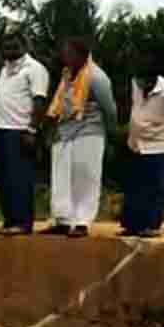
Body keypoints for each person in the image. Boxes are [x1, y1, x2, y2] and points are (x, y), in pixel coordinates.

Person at [45, 37, 117, 238]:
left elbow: (109, 109)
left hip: (89, 131)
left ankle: (82, 222)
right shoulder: (67, 75)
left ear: (82, 55)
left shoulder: (97, 77)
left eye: (69, 53)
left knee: (85, 176)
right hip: (65, 131)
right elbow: (59, 105)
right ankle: (63, 220)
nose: (65, 56)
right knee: (61, 178)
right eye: (64, 52)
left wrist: (111, 134)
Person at [120, 65, 164, 238]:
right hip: (136, 141)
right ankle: (132, 225)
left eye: (144, 79)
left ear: (153, 79)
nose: (139, 82)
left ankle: (151, 225)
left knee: (155, 186)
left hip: (158, 144)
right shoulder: (135, 83)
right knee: (135, 185)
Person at [0, 32, 50, 236]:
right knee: (5, 180)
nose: (9, 50)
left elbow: (39, 100)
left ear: (24, 46)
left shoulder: (34, 69)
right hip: (2, 129)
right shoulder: (4, 69)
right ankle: (10, 220)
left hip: (21, 131)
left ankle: (22, 223)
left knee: (20, 179)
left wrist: (32, 130)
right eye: (6, 46)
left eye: (14, 46)